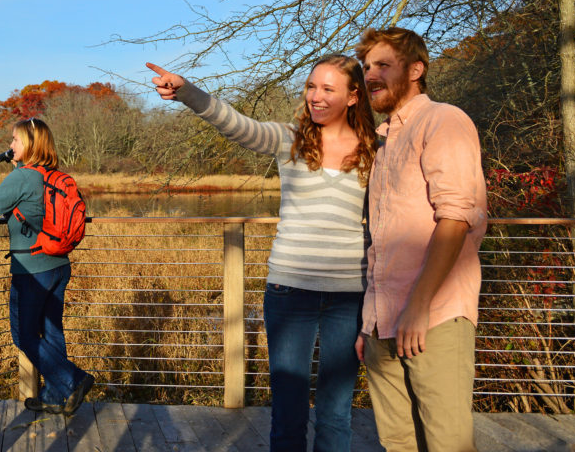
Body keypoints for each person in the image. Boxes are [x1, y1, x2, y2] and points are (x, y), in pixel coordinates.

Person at [147, 57, 377, 452]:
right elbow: (236, 124)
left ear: (354, 96)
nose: (314, 97)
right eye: (310, 87)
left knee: (336, 413)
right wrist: (186, 92)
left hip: (349, 296)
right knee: (287, 412)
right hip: (290, 292)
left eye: (327, 89)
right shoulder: (290, 139)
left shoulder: (377, 151)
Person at [353, 27, 487, 452]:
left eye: (382, 65)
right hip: (383, 322)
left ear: (416, 69)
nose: (370, 74)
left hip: (434, 317)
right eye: (367, 66)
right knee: (398, 443)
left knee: (447, 443)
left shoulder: (443, 120)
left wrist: (419, 305)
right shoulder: (385, 140)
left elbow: (456, 217)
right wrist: (368, 323)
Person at [0, 117, 94, 416]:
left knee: (24, 335)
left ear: (29, 144)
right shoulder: (50, 175)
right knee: (51, 332)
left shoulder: (22, 178)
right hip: (58, 265)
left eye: (15, 140)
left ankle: (73, 380)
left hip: (32, 270)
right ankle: (57, 396)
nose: (10, 145)